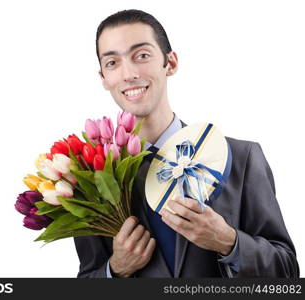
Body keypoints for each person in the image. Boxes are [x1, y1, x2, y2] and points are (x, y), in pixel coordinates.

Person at [73, 9, 299, 278]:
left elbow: (287, 272)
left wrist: (229, 242)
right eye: (112, 63)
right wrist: (115, 269)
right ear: (103, 78)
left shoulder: (242, 157)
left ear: (170, 63)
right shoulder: (91, 180)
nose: (129, 73)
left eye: (141, 56)